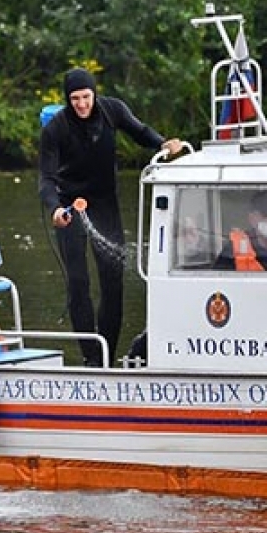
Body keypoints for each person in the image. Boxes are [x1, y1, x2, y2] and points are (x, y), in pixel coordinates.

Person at [39, 67, 182, 366]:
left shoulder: (111, 110)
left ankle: (107, 355)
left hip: (104, 203)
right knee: (78, 282)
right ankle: (92, 358)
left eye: (86, 97)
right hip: (70, 206)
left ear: (95, 93)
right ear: (67, 99)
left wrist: (163, 143)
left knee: (113, 283)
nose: (81, 104)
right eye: (75, 98)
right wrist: (54, 209)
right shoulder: (56, 128)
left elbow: (139, 131)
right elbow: (46, 179)